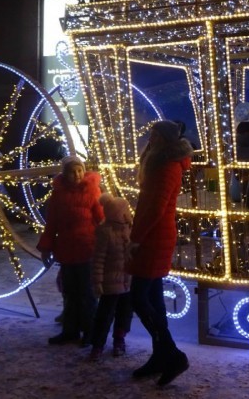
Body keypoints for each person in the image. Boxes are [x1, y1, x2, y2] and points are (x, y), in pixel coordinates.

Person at [127, 120, 193, 387]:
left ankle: (171, 353)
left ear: (166, 138)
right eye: (151, 134)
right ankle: (160, 356)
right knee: (153, 297)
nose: (151, 139)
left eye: (155, 135)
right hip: (154, 233)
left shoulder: (167, 166)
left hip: (155, 236)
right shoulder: (159, 162)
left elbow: (156, 207)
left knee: (138, 297)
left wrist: (136, 238)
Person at [37, 155, 103, 346]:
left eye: (79, 170)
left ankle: (90, 331)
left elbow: (101, 219)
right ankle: (70, 330)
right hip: (66, 250)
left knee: (87, 293)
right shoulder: (58, 195)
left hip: (87, 249)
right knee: (70, 292)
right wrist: (46, 247)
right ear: (64, 174)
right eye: (72, 172)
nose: (77, 175)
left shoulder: (92, 191)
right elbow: (52, 223)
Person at [88, 193, 133, 362]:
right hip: (111, 284)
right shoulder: (105, 232)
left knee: (124, 313)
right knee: (105, 315)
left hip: (127, 282)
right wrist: (98, 281)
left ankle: (119, 339)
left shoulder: (129, 229)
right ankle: (98, 344)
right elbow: (98, 259)